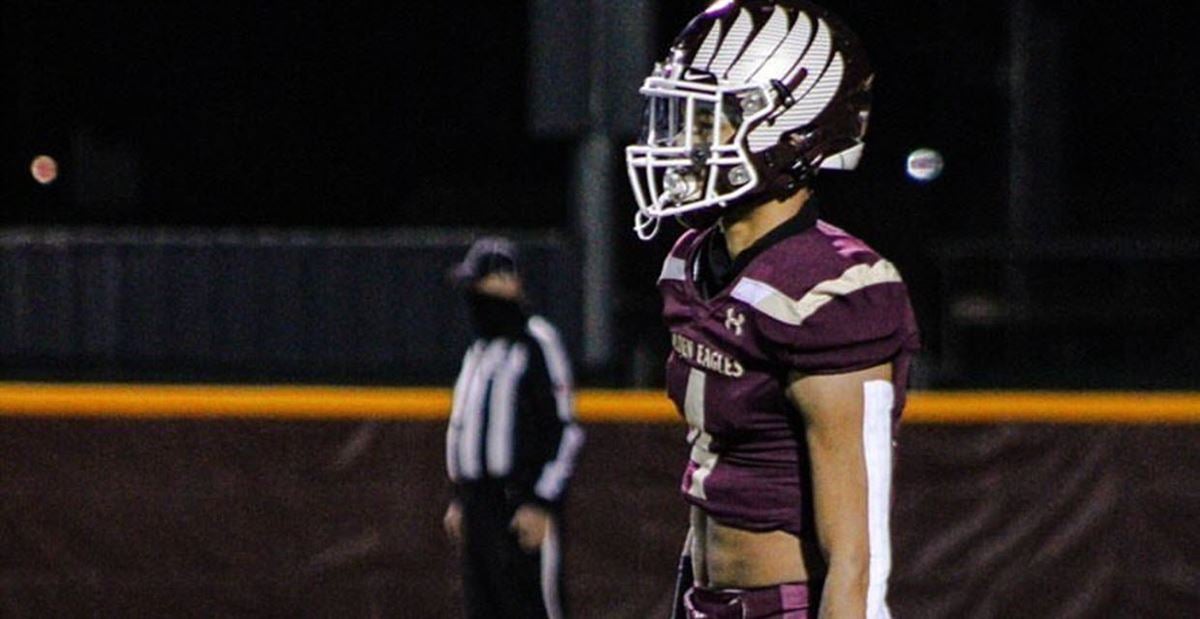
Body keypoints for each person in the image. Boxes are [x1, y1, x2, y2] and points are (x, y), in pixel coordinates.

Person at [625, 2, 920, 618]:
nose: (687, 140)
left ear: (794, 133)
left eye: (714, 120)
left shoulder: (833, 288)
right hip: (704, 596)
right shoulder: (691, 263)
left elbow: (857, 552)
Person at [442, 236, 584, 619]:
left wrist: (541, 502)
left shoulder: (538, 342)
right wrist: (461, 496)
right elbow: (463, 427)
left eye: (481, 282)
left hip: (519, 502)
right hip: (479, 506)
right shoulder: (479, 350)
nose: (473, 294)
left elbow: (566, 431)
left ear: (509, 282)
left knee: (533, 607)